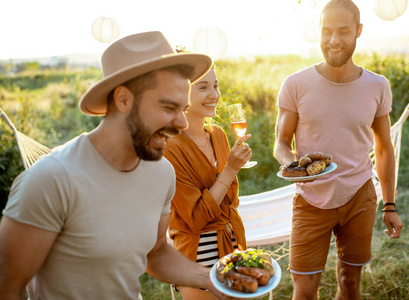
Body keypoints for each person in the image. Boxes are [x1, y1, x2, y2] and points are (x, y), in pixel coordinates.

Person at [0, 31, 236, 300]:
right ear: (123, 100)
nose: (181, 124)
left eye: (182, 109)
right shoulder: (50, 180)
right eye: (168, 107)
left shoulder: (161, 173)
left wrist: (211, 278)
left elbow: (156, 252)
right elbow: (8, 288)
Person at [274, 1, 403, 299]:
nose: (333, 40)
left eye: (343, 31)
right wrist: (294, 167)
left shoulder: (377, 85)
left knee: (350, 282)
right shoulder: (295, 84)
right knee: (304, 290)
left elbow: (383, 149)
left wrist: (390, 205)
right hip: (310, 200)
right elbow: (281, 143)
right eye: (326, 31)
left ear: (358, 31)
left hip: (359, 195)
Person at [164, 65, 252, 300]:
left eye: (215, 86)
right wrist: (231, 169)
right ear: (179, 94)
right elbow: (196, 218)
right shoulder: (170, 148)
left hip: (233, 249)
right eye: (203, 87)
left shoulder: (219, 135)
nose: (214, 95)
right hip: (198, 261)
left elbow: (231, 200)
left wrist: (229, 174)